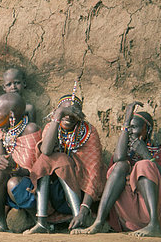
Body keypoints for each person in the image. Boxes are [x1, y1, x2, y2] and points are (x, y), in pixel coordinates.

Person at [72, 103, 161, 237]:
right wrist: (126, 121)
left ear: (147, 130)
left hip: (158, 214)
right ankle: (99, 222)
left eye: (134, 127)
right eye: (127, 128)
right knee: (119, 166)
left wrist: (147, 156)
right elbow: (119, 158)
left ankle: (154, 225)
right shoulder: (125, 157)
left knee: (144, 165)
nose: (129, 131)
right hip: (128, 218)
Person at [24, 93, 105, 234]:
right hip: (55, 193)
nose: (68, 117)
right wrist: (58, 115)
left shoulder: (89, 132)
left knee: (63, 161)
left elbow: (93, 173)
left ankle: (77, 221)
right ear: (56, 111)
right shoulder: (51, 127)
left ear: (80, 114)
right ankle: (41, 222)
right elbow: (46, 150)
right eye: (65, 112)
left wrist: (83, 211)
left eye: (73, 112)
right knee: (50, 159)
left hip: (81, 196)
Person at [0, 93, 41, 232]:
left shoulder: (30, 129)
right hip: (9, 180)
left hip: (30, 184)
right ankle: (1, 222)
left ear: (11, 114)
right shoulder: (0, 128)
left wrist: (15, 167)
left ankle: (39, 220)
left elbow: (32, 171)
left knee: (13, 184)